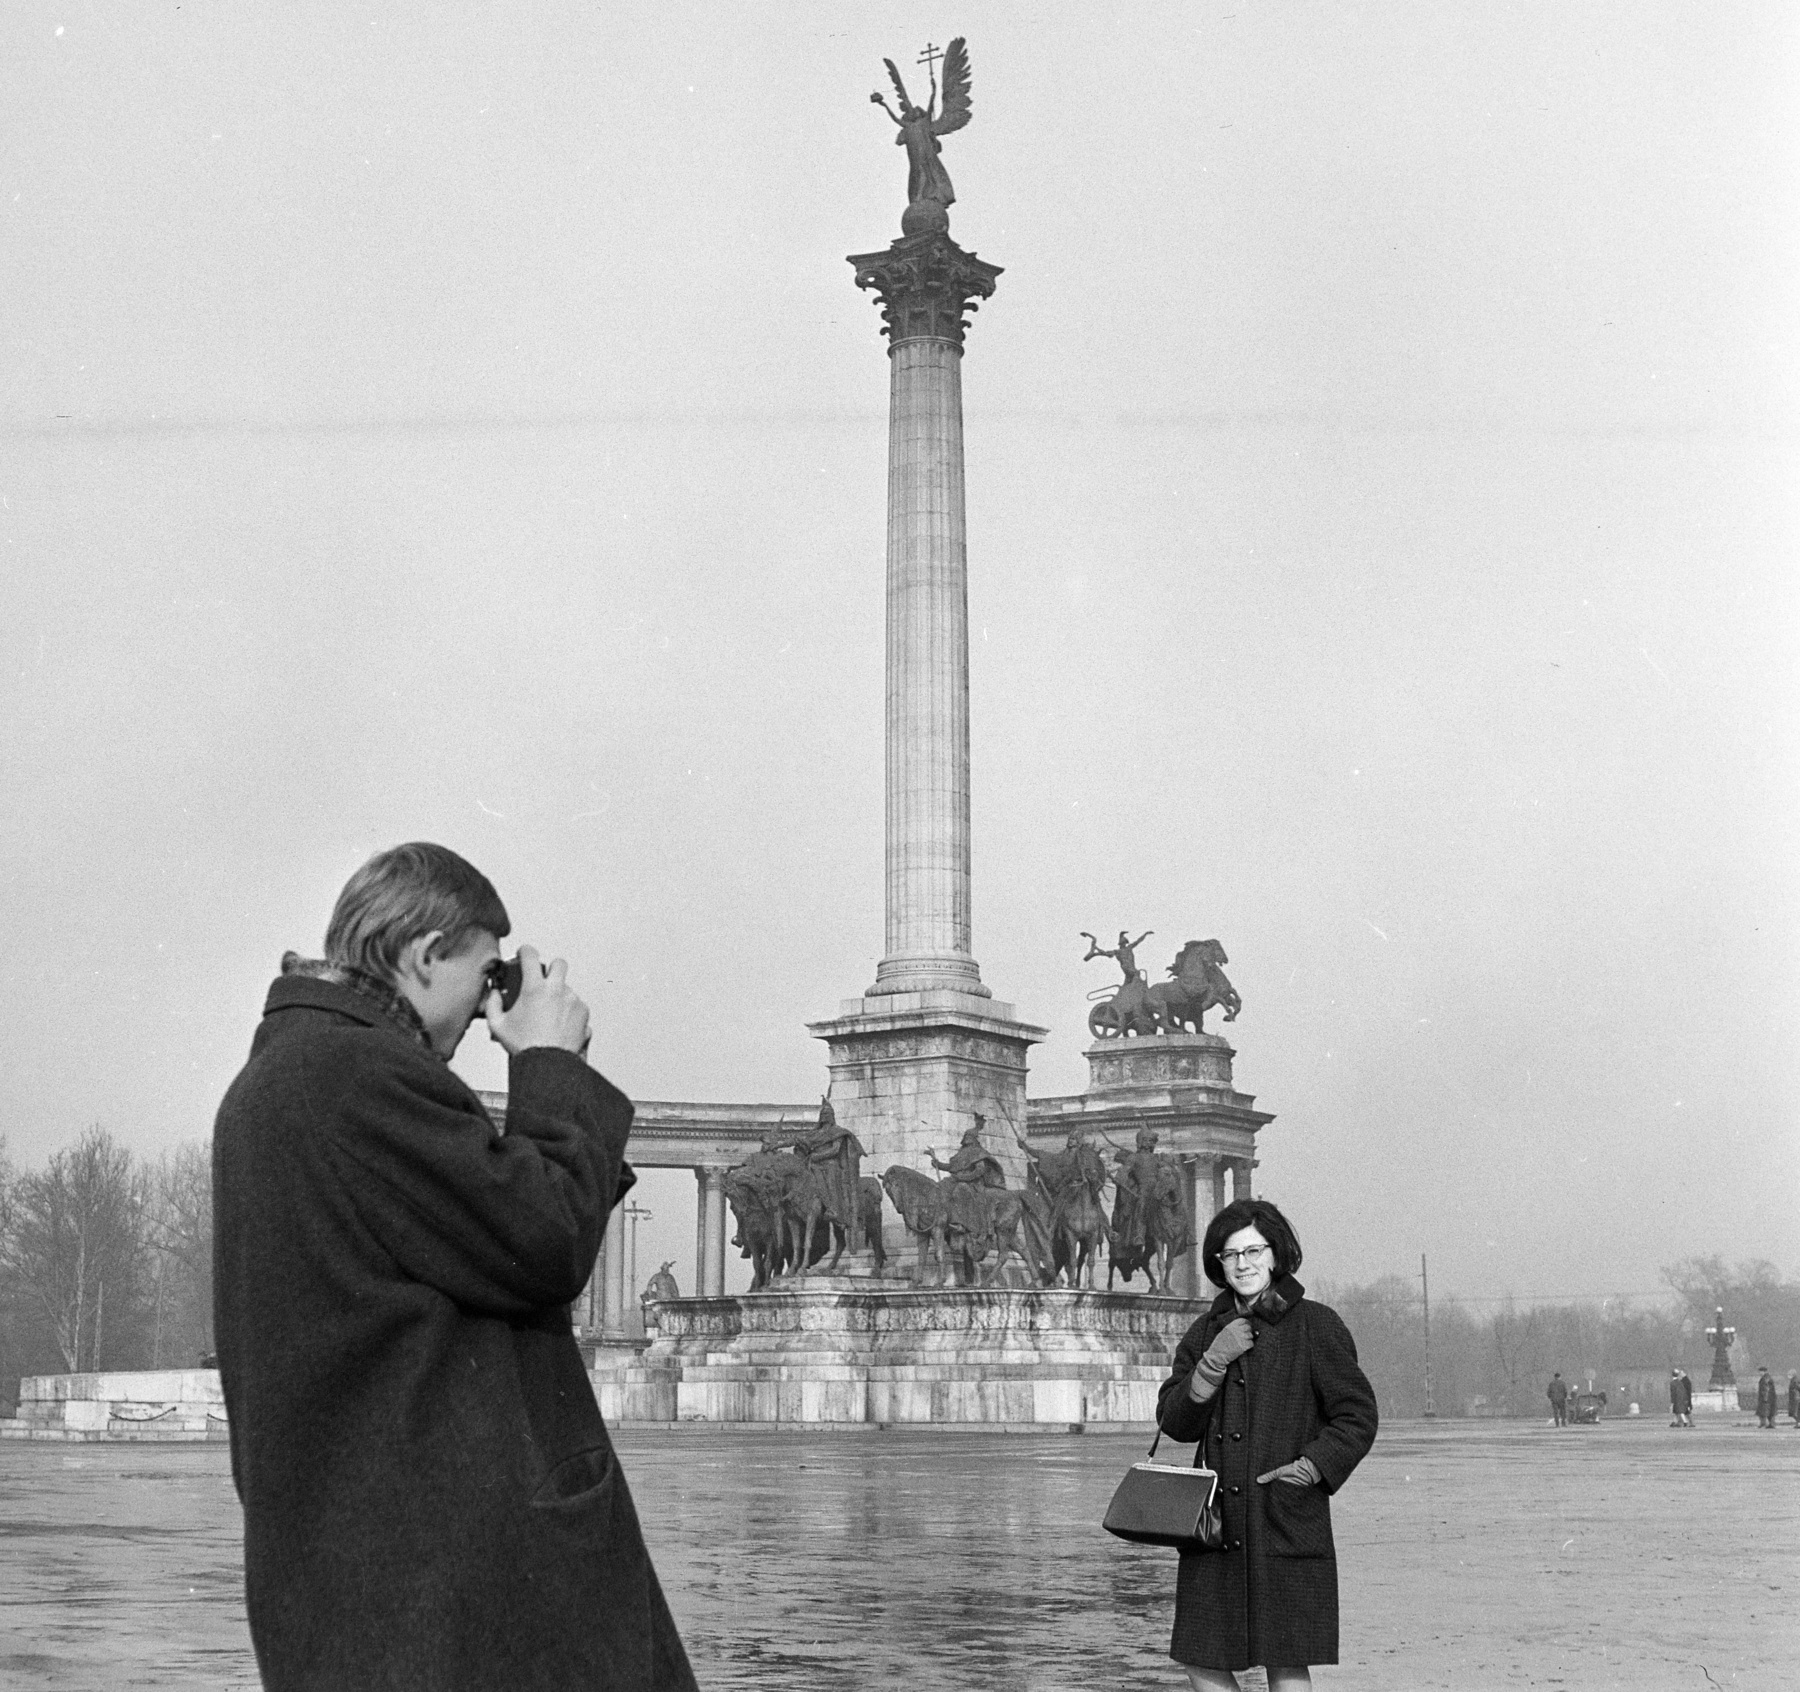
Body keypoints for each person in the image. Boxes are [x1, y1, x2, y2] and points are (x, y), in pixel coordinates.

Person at [212, 843, 696, 1691]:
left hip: (371, 1578)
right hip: (451, 1593)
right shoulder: (354, 1072)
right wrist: (549, 1063)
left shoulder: (290, 1075)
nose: (483, 1012)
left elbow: (485, 1234)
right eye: (483, 975)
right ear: (427, 953)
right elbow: (542, 1243)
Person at [1156, 1198, 1378, 1691]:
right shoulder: (1205, 1331)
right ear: (1219, 1264)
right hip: (1213, 1525)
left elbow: (1357, 1415)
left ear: (1276, 1255)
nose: (1243, 1264)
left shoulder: (1316, 1325)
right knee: (1202, 1658)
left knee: (1286, 1659)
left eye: (1254, 1251)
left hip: (1284, 1515)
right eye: (1230, 1255)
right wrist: (1210, 1364)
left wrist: (1310, 1468)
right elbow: (1175, 1422)